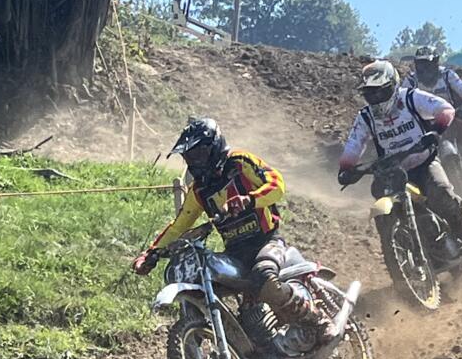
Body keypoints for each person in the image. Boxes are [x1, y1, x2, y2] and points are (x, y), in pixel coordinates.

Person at [133, 118, 323, 328]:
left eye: (199, 154)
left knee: (264, 278)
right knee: (211, 284)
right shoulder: (199, 190)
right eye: (190, 157)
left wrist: (250, 199)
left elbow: (276, 184)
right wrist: (151, 254)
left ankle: (317, 320)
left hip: (266, 241)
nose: (195, 162)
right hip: (235, 252)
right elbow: (179, 226)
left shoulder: (240, 162)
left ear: (214, 146)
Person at [338, 59, 462, 253]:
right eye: (370, 93)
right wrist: (346, 168)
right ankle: (397, 247)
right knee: (379, 201)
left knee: (441, 191)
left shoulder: (410, 98)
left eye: (380, 91)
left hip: (424, 162)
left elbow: (445, 109)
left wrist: (435, 132)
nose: (376, 97)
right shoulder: (366, 116)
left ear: (393, 86)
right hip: (391, 171)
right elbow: (354, 144)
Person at [403, 46, 462, 186]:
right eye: (421, 64)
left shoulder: (447, 75)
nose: (424, 69)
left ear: (435, 63)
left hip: (448, 119)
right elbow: (402, 98)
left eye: (427, 64)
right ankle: (410, 181)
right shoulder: (411, 81)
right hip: (423, 124)